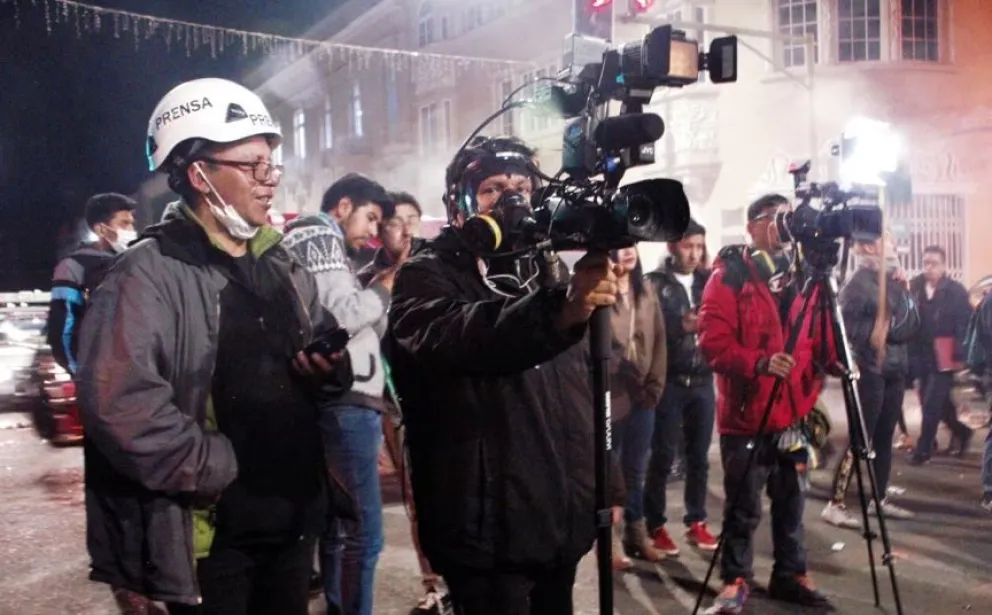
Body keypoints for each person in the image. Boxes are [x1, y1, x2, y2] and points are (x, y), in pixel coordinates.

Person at [76, 77, 355, 615]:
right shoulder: (146, 273)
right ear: (199, 172)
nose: (270, 180)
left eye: (271, 164)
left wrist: (328, 371)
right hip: (216, 537)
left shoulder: (281, 262)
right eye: (253, 165)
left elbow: (313, 348)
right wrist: (217, 468)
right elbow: (121, 406)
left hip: (294, 519)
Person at [387, 135, 625, 615]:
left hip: (561, 525)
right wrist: (560, 311)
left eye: (522, 186)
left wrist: (607, 485)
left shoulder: (551, 271)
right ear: (459, 203)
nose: (512, 199)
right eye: (493, 188)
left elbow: (586, 389)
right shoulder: (427, 274)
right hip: (486, 536)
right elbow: (463, 337)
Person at [698, 193, 834, 614]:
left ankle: (790, 575)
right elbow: (712, 344)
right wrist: (758, 363)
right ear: (752, 225)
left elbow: (821, 338)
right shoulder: (729, 277)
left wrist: (821, 375)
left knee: (792, 502)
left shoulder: (807, 277)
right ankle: (736, 578)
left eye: (789, 217)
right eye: (776, 218)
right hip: (747, 417)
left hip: (794, 412)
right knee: (743, 507)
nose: (785, 225)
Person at [282, 173, 394, 615]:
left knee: (341, 527)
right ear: (343, 206)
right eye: (370, 218)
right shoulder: (318, 236)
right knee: (363, 532)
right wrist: (384, 289)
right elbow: (343, 317)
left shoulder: (326, 245)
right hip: (345, 402)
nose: (372, 232)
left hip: (345, 400)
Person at [821, 232, 919, 529]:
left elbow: (910, 323)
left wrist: (903, 292)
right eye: (885, 240)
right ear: (868, 247)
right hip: (871, 369)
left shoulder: (893, 279)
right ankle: (835, 503)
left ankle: (879, 497)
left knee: (885, 436)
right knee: (861, 438)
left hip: (894, 366)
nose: (892, 245)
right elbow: (845, 329)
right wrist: (876, 330)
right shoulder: (858, 284)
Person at [643, 218, 718, 555]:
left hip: (703, 379)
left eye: (699, 246)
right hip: (671, 380)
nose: (694, 253)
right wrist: (679, 325)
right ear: (672, 246)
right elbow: (646, 332)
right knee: (662, 455)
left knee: (699, 458)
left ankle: (696, 520)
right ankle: (654, 523)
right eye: (688, 246)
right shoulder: (655, 284)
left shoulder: (710, 282)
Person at [609, 246, 667, 567]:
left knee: (636, 468)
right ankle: (610, 541)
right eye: (620, 245)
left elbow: (659, 340)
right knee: (610, 469)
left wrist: (655, 385)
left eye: (632, 244)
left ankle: (637, 533)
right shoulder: (598, 290)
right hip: (612, 395)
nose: (627, 251)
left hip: (643, 395)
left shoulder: (646, 290)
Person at [47, 192, 136, 376]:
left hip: (135, 376)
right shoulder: (73, 267)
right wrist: (82, 376)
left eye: (131, 223)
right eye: (124, 223)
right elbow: (63, 330)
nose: (132, 230)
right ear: (101, 229)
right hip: (100, 380)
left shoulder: (134, 263)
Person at [908, 245, 974, 464]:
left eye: (934, 263)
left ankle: (923, 450)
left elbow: (964, 324)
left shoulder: (955, 291)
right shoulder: (916, 286)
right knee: (940, 403)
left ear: (943, 265)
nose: (929, 267)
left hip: (945, 353)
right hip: (920, 353)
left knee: (932, 403)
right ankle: (962, 432)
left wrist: (961, 355)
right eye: (925, 262)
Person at [357, 190, 424, 287]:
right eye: (395, 223)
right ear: (379, 233)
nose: (407, 232)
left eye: (412, 221)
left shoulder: (441, 268)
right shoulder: (364, 282)